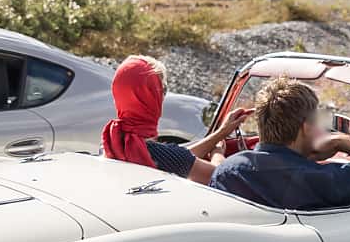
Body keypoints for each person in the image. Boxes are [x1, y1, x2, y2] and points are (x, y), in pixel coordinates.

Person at [210, 77, 350, 210]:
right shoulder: (325, 179)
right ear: (306, 127)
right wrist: (345, 143)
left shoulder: (226, 173)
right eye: (317, 122)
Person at [100, 56, 247, 185]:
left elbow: (178, 157)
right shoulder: (157, 154)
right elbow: (222, 177)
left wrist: (220, 134)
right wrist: (218, 153)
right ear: (152, 98)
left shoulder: (111, 143)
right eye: (161, 89)